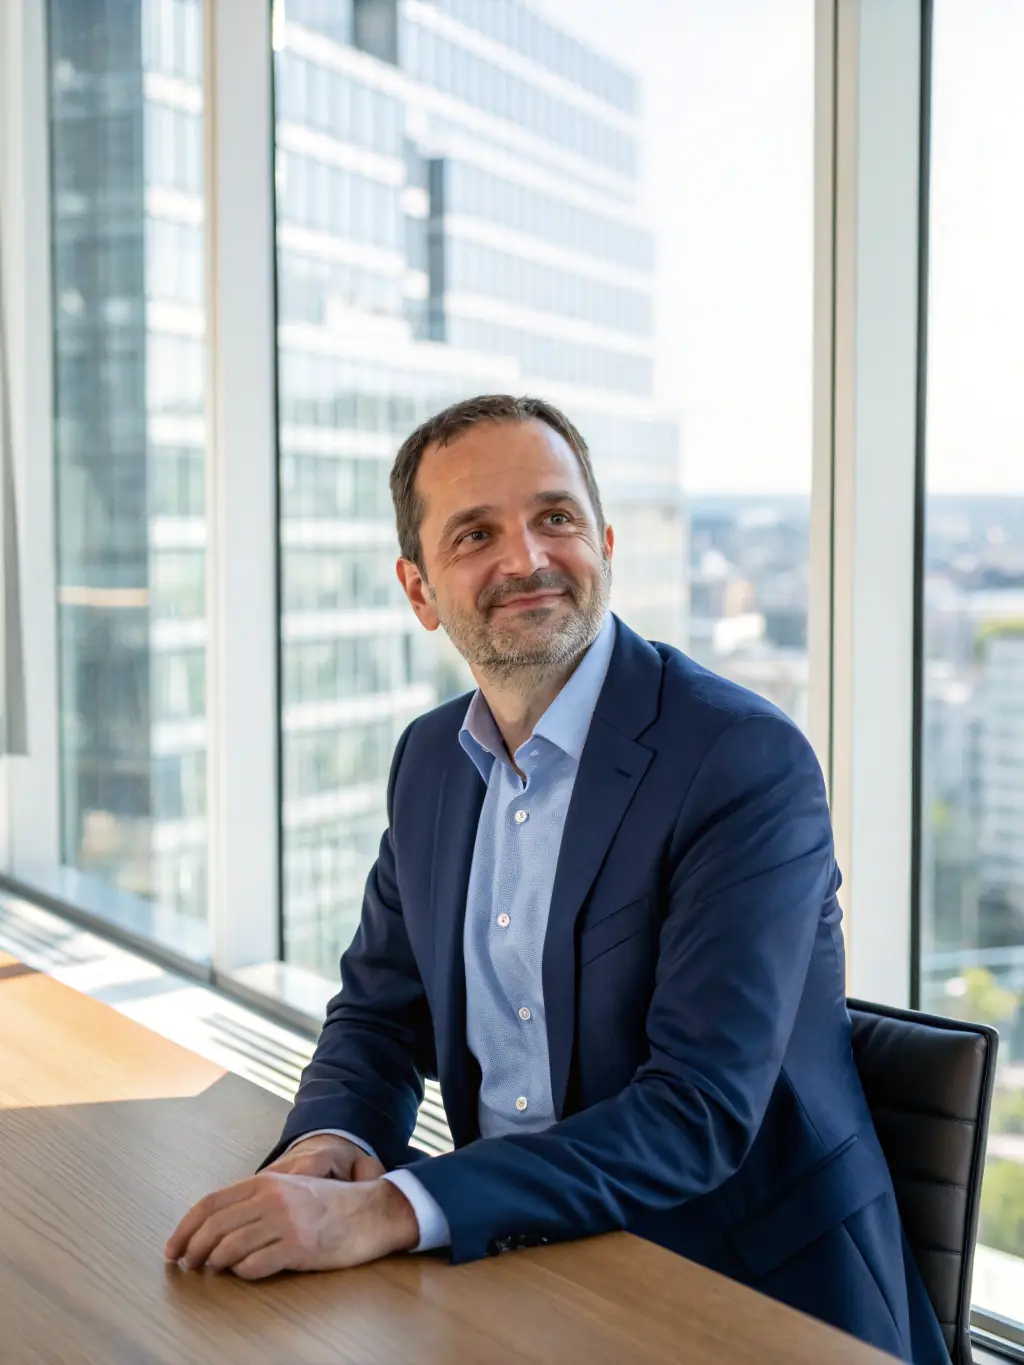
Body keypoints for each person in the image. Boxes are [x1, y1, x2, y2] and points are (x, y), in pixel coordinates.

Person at [166, 395, 949, 1364]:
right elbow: (377, 1017)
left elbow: (694, 1115)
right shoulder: (429, 763)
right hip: (517, 1271)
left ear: (605, 542)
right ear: (419, 592)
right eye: (475, 534)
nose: (526, 560)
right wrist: (327, 1149)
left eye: (555, 518)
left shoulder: (740, 760)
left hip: (745, 1298)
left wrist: (390, 1211)